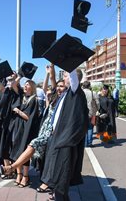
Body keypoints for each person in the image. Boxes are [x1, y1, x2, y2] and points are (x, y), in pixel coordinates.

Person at [40, 69, 88, 201]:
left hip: (65, 140)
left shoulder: (75, 92)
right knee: (56, 174)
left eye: (65, 75)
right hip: (57, 137)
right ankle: (58, 196)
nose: (64, 77)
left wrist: (69, 61)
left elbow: (73, 76)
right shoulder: (66, 94)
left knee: (62, 176)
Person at [9, 75, 40, 188]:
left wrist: (18, 111)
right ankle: (19, 174)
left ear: (32, 87)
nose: (25, 86)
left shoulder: (34, 100)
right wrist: (20, 76)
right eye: (25, 84)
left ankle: (26, 176)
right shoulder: (22, 96)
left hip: (27, 129)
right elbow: (13, 85)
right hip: (18, 127)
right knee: (17, 150)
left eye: (27, 84)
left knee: (24, 151)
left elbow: (29, 118)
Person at [82, 81, 99, 147]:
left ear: (83, 86)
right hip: (91, 113)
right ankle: (89, 143)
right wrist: (97, 109)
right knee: (90, 127)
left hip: (82, 113)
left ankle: (84, 143)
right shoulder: (93, 93)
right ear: (89, 86)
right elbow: (97, 103)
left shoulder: (81, 92)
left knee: (84, 128)